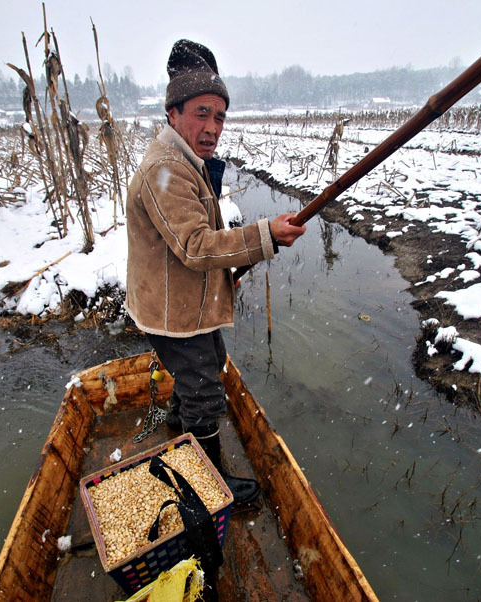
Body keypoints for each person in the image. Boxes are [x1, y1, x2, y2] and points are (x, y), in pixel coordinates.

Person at [125, 39, 306, 504]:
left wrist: (235, 265)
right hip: (174, 312)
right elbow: (195, 245)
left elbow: (199, 239)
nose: (211, 128)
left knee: (207, 369)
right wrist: (264, 234)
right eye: (201, 113)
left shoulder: (188, 162)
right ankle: (208, 488)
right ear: (173, 112)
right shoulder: (163, 170)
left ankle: (175, 423)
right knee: (205, 393)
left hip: (186, 300)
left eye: (219, 117)